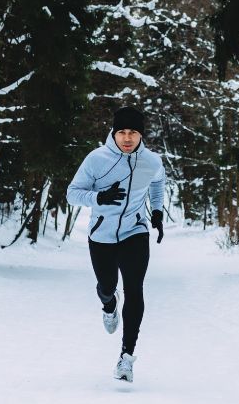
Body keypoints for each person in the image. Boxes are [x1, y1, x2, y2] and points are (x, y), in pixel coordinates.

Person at [67, 106, 166, 382]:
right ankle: (109, 305)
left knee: (134, 289)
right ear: (114, 132)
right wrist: (98, 198)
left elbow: (158, 183)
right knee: (107, 287)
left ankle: (126, 358)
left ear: (141, 135)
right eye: (122, 131)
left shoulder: (151, 161)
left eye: (133, 132)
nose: (127, 138)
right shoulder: (97, 159)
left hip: (135, 232)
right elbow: (72, 193)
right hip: (102, 236)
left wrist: (156, 212)